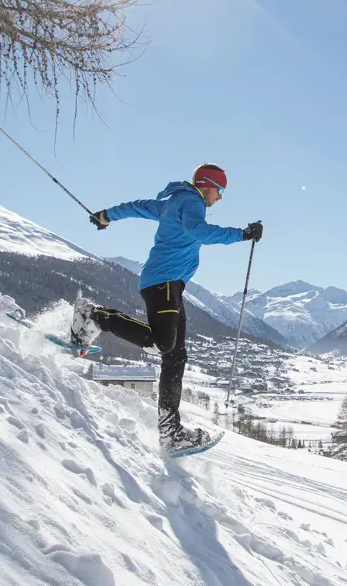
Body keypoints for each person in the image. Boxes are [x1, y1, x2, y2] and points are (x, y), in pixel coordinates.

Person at [71, 163, 263, 452]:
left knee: (175, 356)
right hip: (164, 282)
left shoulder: (174, 201)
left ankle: (171, 432)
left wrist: (107, 215)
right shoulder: (192, 202)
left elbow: (138, 206)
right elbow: (202, 233)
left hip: (169, 285)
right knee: (164, 346)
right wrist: (243, 234)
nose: (219, 197)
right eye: (219, 190)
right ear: (206, 185)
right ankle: (95, 316)